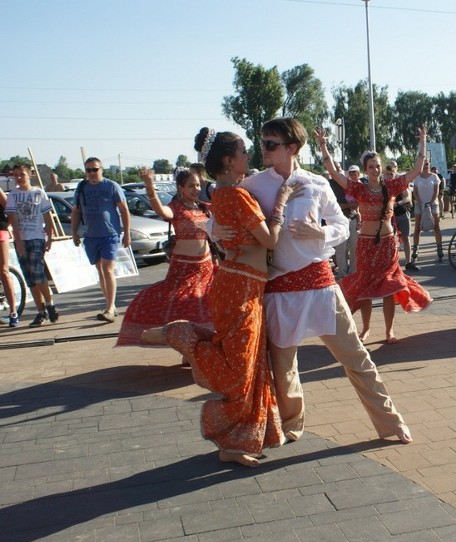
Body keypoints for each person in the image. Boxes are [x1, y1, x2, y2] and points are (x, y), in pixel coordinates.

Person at [230, 116, 411, 445]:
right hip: (278, 290)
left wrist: (320, 232)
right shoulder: (253, 186)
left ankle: (391, 423)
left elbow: (342, 224)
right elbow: (223, 220)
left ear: (292, 148)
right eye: (262, 144)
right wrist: (220, 232)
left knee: (356, 358)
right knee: (283, 369)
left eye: (271, 144)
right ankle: (291, 425)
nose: (264, 150)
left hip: (321, 285)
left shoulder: (316, 183)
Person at [144, 128, 289, 467]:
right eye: (242, 152)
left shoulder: (226, 194)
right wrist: (280, 207)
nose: (247, 158)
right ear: (228, 160)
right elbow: (269, 240)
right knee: (240, 371)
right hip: (238, 289)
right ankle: (182, 334)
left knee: (250, 367)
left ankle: (237, 442)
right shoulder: (232, 195)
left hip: (245, 287)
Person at [319, 127, 432, 344]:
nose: (375, 169)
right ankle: (366, 329)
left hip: (388, 245)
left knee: (389, 287)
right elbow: (333, 173)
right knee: (366, 287)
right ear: (365, 169)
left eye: (378, 165)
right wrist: (324, 145)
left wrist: (423, 142)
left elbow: (416, 170)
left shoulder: (391, 187)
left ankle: (389, 331)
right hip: (366, 245)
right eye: (371, 166)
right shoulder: (359, 189)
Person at [116, 167, 214, 346]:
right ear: (181, 188)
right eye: (191, 186)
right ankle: (182, 343)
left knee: (203, 308)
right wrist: (149, 186)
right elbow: (161, 211)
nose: (196, 189)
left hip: (206, 268)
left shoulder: (205, 208)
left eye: (198, 185)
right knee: (182, 308)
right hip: (184, 269)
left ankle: (195, 346)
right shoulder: (176, 208)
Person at [70, 157, 131, 322]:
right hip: (90, 235)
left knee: (108, 269)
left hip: (109, 234)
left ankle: (110, 308)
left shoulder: (111, 186)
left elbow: (124, 210)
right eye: (88, 170)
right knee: (100, 270)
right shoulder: (82, 187)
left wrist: (127, 233)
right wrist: (74, 232)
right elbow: (76, 211)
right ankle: (110, 304)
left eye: (94, 169)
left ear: (101, 169)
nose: (91, 173)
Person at [6, 164, 58, 327]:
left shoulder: (38, 193)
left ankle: (49, 304)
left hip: (36, 237)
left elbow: (47, 216)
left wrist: (50, 237)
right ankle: (40, 311)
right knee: (30, 278)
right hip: (21, 238)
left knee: (37, 272)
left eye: (22, 174)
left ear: (30, 175)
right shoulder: (13, 195)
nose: (19, 178)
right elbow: (13, 219)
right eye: (15, 175)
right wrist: (18, 241)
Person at [326, 164, 358, 278]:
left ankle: (353, 273)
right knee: (341, 250)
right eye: (334, 168)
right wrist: (348, 205)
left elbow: (358, 202)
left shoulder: (348, 183)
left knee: (354, 247)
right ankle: (343, 274)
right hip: (338, 221)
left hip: (353, 218)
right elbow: (333, 206)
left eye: (339, 168)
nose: (337, 170)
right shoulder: (328, 185)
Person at [411, 159, 443, 263]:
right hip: (420, 204)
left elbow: (436, 191)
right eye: (423, 164)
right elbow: (415, 192)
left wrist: (430, 203)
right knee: (417, 227)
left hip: (433, 204)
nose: (425, 166)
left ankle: (439, 248)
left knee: (436, 226)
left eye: (427, 164)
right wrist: (421, 203)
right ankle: (415, 249)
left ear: (430, 164)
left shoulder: (434, 177)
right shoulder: (417, 177)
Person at [0, 184, 17, 326]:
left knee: (4, 271)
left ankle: (13, 312)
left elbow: (10, 209)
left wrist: (8, 225)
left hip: (0, 231)